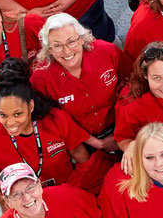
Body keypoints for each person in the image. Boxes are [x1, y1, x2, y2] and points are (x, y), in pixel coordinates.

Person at [0, 58, 106, 200]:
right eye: (3, 114)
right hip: (26, 201)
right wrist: (4, 204)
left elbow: (79, 154)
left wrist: (75, 192)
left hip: (67, 191)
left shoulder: (56, 120)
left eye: (18, 114)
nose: (10, 122)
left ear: (30, 106)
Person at [31, 14, 129, 151]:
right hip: (82, 142)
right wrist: (96, 143)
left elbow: (131, 82)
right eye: (57, 46)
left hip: (123, 126)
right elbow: (54, 120)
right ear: (49, 50)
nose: (66, 51)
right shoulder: (40, 78)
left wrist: (124, 132)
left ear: (82, 39)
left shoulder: (107, 52)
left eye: (71, 41)